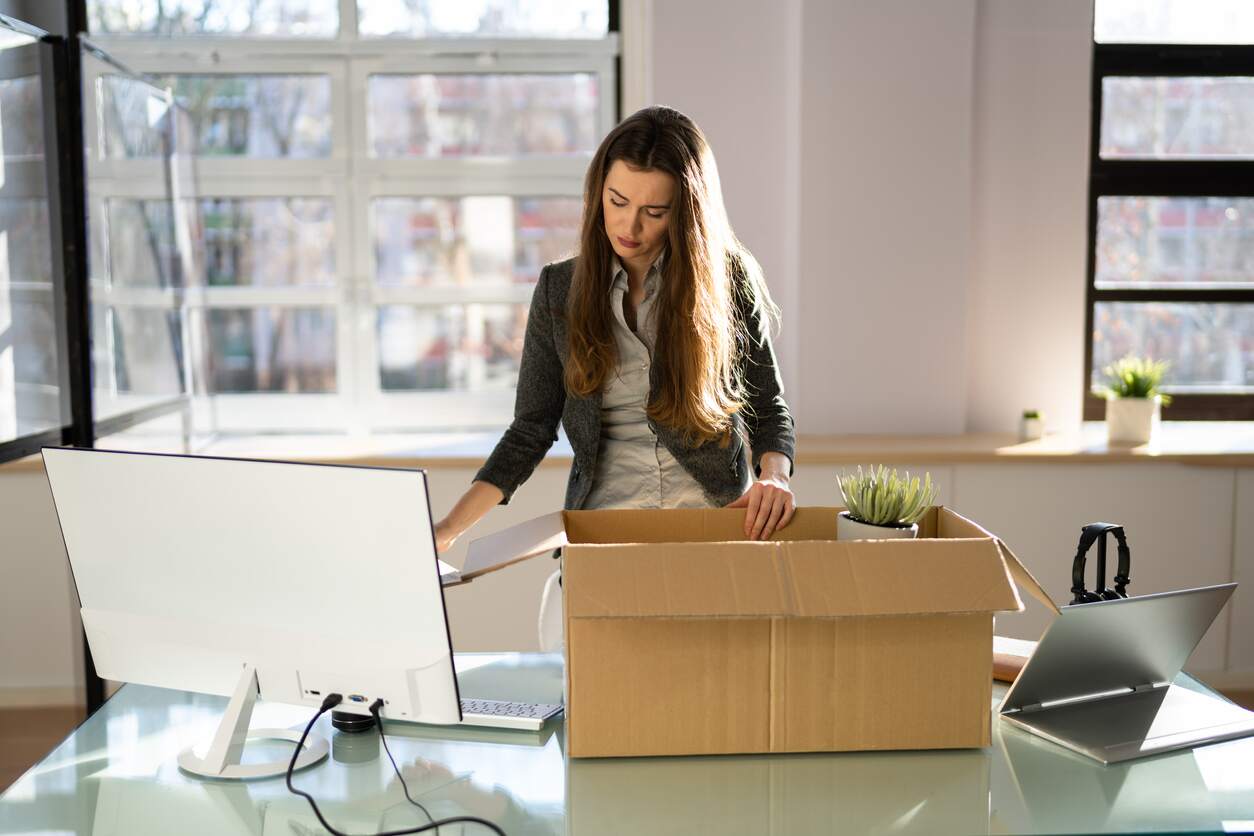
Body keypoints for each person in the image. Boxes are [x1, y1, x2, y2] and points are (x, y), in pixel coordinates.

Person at [434, 106, 796, 620]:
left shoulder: (727, 280)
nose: (629, 225)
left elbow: (766, 402)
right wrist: (447, 530)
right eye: (617, 201)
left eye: (654, 211)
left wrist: (774, 476)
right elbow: (530, 430)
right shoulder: (560, 291)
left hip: (711, 526)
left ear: (687, 212)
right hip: (605, 531)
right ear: (598, 192)